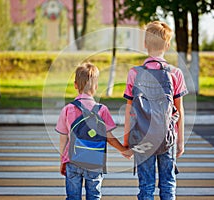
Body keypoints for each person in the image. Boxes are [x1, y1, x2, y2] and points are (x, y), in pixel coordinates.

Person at [123, 21, 188, 199]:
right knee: (168, 184)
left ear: (145, 44)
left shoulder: (134, 73)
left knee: (146, 186)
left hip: (142, 138)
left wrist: (126, 142)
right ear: (167, 45)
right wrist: (180, 142)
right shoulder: (175, 73)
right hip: (167, 138)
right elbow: (179, 111)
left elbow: (129, 111)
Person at [55, 62, 129, 200]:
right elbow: (109, 137)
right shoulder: (102, 110)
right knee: (94, 196)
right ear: (95, 87)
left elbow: (63, 139)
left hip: (73, 160)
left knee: (72, 197)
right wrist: (123, 150)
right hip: (94, 161)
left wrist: (62, 161)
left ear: (75, 85)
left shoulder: (68, 109)